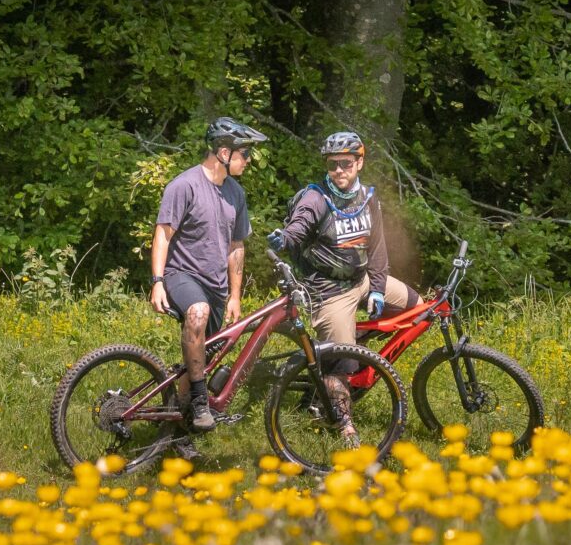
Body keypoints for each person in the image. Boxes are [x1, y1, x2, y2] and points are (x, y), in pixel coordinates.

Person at [271, 129, 414, 445]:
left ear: (359, 162)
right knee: (342, 365)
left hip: (362, 281)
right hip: (328, 291)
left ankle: (350, 343)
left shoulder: (368, 197)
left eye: (346, 164)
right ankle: (342, 424)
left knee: (416, 308)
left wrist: (377, 287)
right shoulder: (315, 198)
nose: (339, 171)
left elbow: (376, 247)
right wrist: (285, 238)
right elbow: (299, 225)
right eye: (333, 164)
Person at [149, 118, 265, 431]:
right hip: (181, 275)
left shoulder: (236, 194)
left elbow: (236, 246)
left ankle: (176, 430)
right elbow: (163, 235)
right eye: (245, 153)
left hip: (216, 287)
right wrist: (157, 282)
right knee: (197, 314)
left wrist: (235, 295)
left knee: (200, 359)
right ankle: (201, 403)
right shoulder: (184, 185)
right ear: (224, 152)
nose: (249, 160)